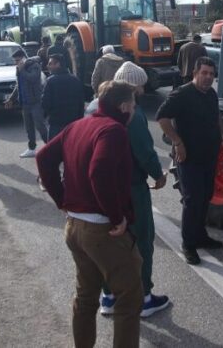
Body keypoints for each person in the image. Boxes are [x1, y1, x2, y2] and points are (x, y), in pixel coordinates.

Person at [36, 80, 143, 348]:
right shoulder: (113, 130)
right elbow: (100, 171)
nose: (134, 110)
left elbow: (43, 157)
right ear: (123, 106)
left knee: (85, 297)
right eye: (133, 105)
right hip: (102, 229)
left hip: (75, 226)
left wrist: (63, 200)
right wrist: (116, 216)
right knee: (129, 298)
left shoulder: (78, 125)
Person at [93, 62, 170, 318]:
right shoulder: (132, 114)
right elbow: (144, 152)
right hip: (132, 189)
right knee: (141, 242)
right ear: (135, 86)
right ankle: (144, 297)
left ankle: (109, 295)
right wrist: (158, 175)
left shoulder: (95, 108)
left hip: (103, 190)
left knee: (111, 243)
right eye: (141, 84)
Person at [156, 56, 223, 265]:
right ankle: (188, 244)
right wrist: (178, 142)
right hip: (189, 158)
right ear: (195, 73)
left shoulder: (211, 94)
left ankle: (200, 236)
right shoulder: (182, 94)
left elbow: (217, 116)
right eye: (204, 73)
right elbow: (162, 118)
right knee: (192, 199)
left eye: (211, 74)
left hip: (209, 155)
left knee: (205, 196)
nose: (208, 77)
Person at [6, 49, 47, 158]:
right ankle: (31, 148)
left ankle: (50, 146)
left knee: (40, 125)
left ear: (24, 58)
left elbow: (33, 79)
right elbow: (18, 85)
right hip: (25, 103)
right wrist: (11, 98)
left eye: (18, 60)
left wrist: (22, 70)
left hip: (35, 102)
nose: (16, 63)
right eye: (15, 61)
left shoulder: (34, 66)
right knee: (29, 128)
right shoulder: (19, 68)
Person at [41, 53, 85, 140]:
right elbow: (81, 102)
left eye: (50, 63)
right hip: (73, 123)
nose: (48, 66)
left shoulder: (50, 81)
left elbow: (45, 103)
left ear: (58, 64)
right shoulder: (75, 80)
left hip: (56, 124)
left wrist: (47, 115)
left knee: (54, 151)